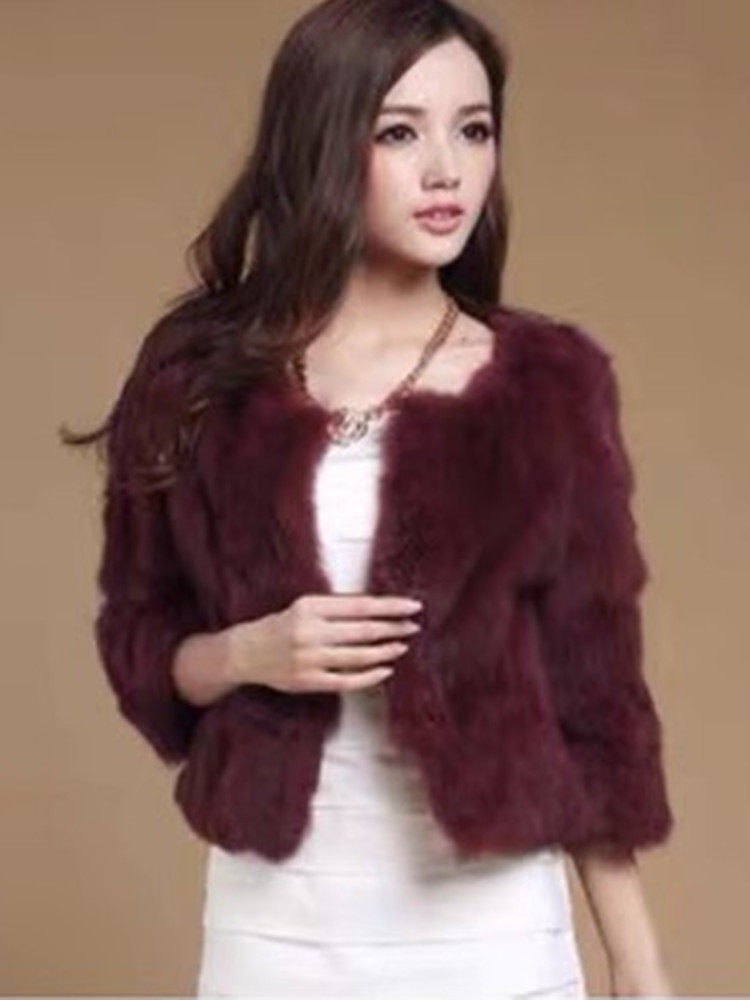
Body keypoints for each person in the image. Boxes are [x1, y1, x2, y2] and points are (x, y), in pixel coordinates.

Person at [63, 0, 676, 996]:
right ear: (322, 140)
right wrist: (250, 653)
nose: (447, 169)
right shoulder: (197, 375)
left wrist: (637, 960)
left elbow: (594, 690)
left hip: (492, 936)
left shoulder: (549, 385)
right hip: (278, 928)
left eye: (473, 130)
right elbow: (140, 643)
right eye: (399, 132)